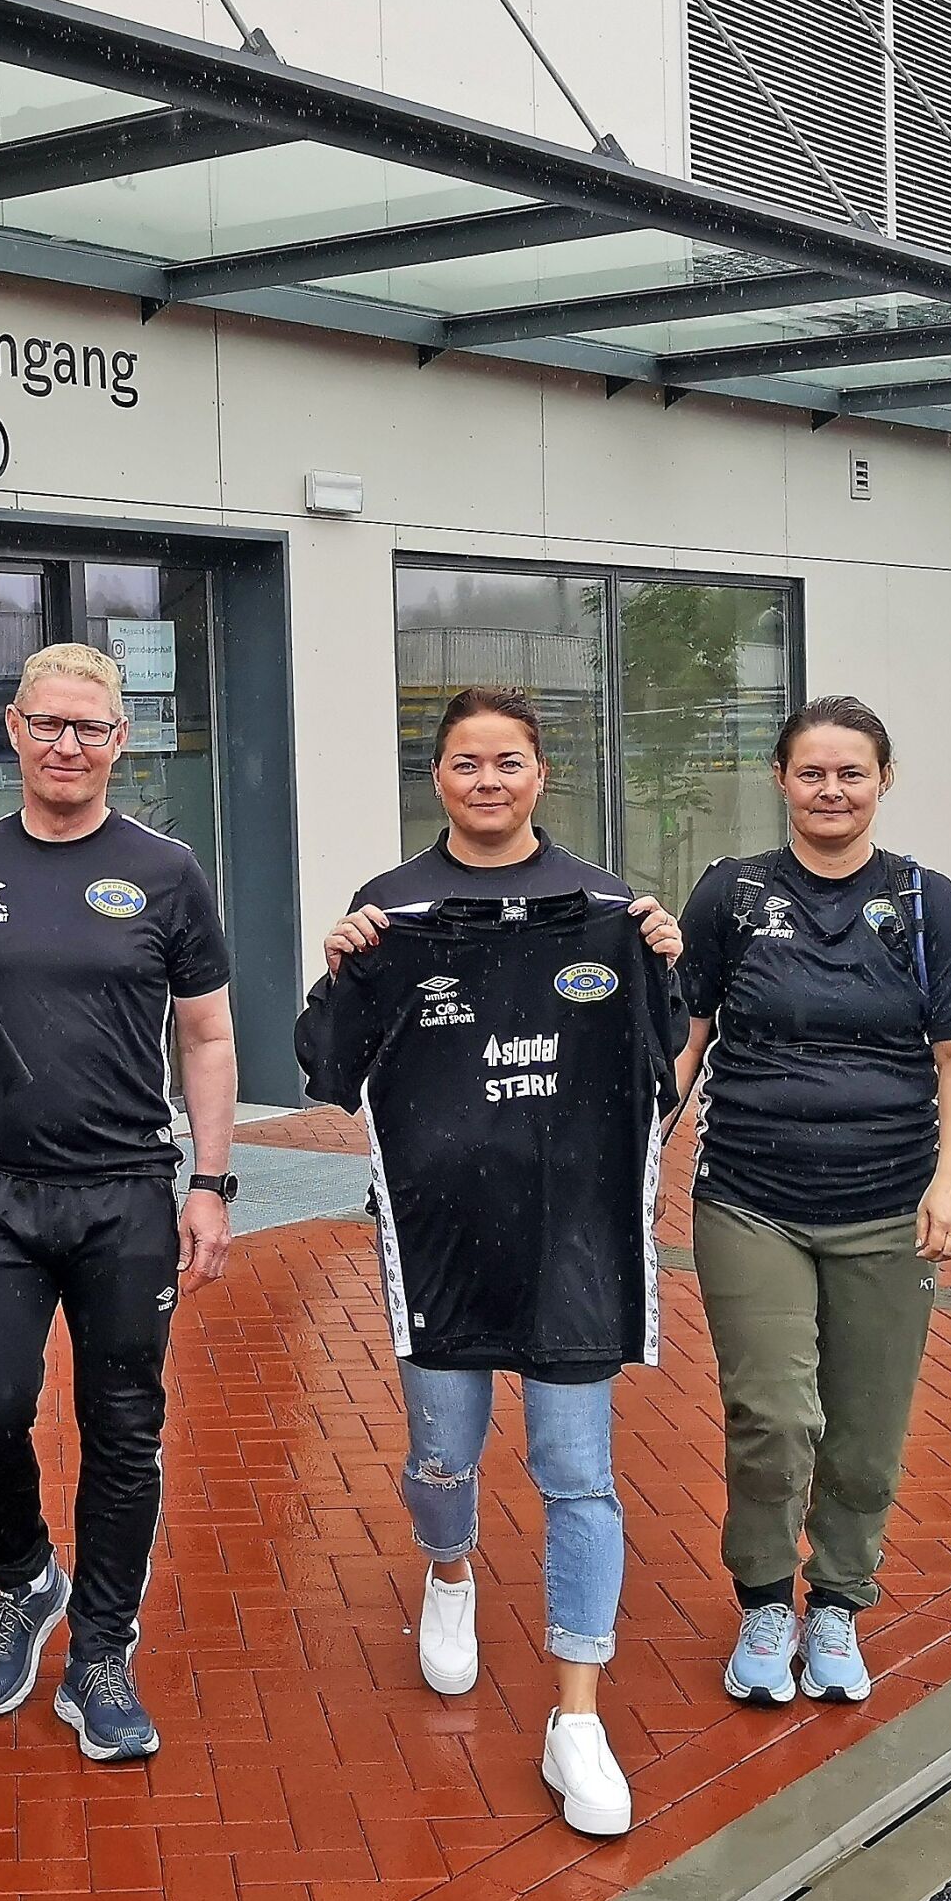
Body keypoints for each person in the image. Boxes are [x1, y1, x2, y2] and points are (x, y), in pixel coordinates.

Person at [313, 689, 684, 1838]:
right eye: (466, 762)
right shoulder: (391, 907)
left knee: (577, 1473)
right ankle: (449, 1568)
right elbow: (326, 1066)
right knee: (441, 1457)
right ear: (437, 777)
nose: (487, 780)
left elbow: (665, 1060)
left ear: (539, 772)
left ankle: (577, 1719)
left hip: (571, 1239)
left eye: (507, 760)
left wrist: (664, 965)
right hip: (438, 1240)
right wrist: (340, 968)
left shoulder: (609, 910)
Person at [0, 643, 238, 1765]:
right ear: (12, 728)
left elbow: (206, 1035)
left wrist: (210, 1182)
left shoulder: (166, 871)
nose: (67, 745)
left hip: (123, 1196)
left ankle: (101, 1649)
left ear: (119, 740)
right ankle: (23, 1578)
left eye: (89, 728)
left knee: (123, 1429)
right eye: (47, 724)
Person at [675, 694, 951, 1709]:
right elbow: (685, 1038)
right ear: (779, 779)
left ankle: (838, 1605)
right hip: (749, 1198)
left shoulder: (924, 901)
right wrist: (629, 1149)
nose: (830, 790)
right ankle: (766, 1601)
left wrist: (950, 1181)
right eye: (811, 772)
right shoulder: (731, 895)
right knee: (773, 1415)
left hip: (888, 1204)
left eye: (850, 773)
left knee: (864, 1426)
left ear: (882, 781)